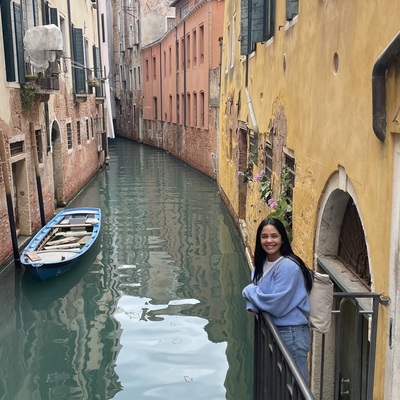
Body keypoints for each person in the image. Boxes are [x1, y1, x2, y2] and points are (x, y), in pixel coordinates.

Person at [242, 217, 313, 383]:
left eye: (274, 236)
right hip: (275, 331)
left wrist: (248, 291)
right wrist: (255, 297)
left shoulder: (289, 266)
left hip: (291, 334)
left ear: (282, 239)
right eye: (264, 236)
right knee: (279, 384)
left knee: (296, 386)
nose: (269, 241)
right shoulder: (262, 265)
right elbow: (256, 294)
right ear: (259, 240)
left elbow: (276, 306)